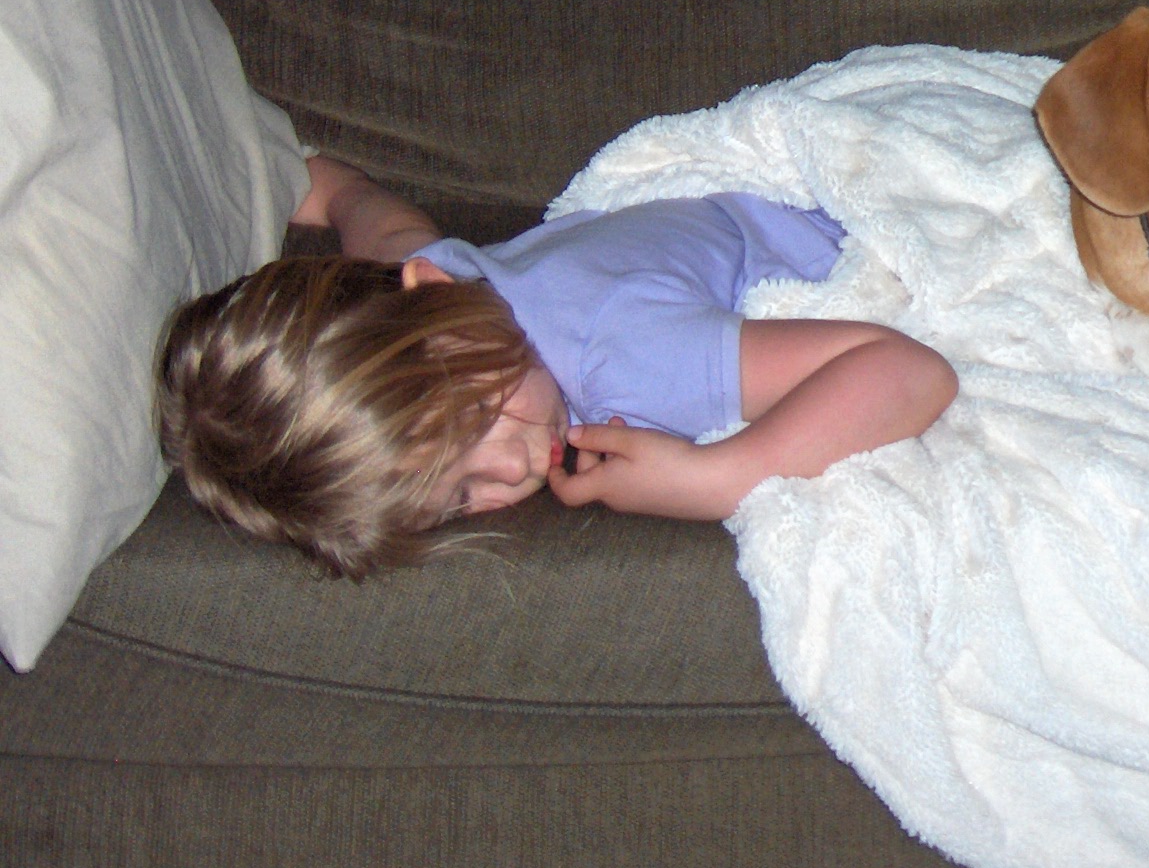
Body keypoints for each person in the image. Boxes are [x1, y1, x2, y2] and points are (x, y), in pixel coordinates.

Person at [156, 154, 956, 577]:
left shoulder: (628, 360)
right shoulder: (436, 287)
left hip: (848, 235)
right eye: (458, 497)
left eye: (476, 420)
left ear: (431, 294)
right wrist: (327, 186)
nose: (511, 470)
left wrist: (719, 477)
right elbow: (371, 217)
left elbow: (909, 371)